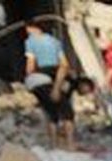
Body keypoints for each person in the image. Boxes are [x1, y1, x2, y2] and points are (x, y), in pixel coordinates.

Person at [24, 18, 73, 149]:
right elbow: (64, 63)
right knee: (66, 111)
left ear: (32, 28)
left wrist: (28, 77)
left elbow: (31, 63)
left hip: (41, 77)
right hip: (59, 76)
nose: (27, 32)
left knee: (51, 112)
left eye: (27, 29)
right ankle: (70, 145)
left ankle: (54, 145)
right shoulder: (55, 41)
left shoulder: (30, 41)